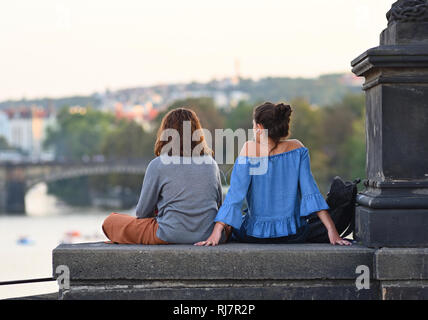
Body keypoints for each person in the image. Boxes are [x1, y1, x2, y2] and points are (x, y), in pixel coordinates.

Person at [195, 102, 351, 246]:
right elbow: (311, 192)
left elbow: (235, 195)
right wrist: (332, 230)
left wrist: (216, 232)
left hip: (255, 235)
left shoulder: (249, 149)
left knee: (238, 223)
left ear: (260, 128)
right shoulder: (298, 148)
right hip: (294, 235)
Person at [102, 108, 224, 245]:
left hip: (169, 234)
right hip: (207, 234)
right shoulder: (211, 164)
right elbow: (219, 203)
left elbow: (142, 212)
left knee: (111, 221)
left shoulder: (158, 165)